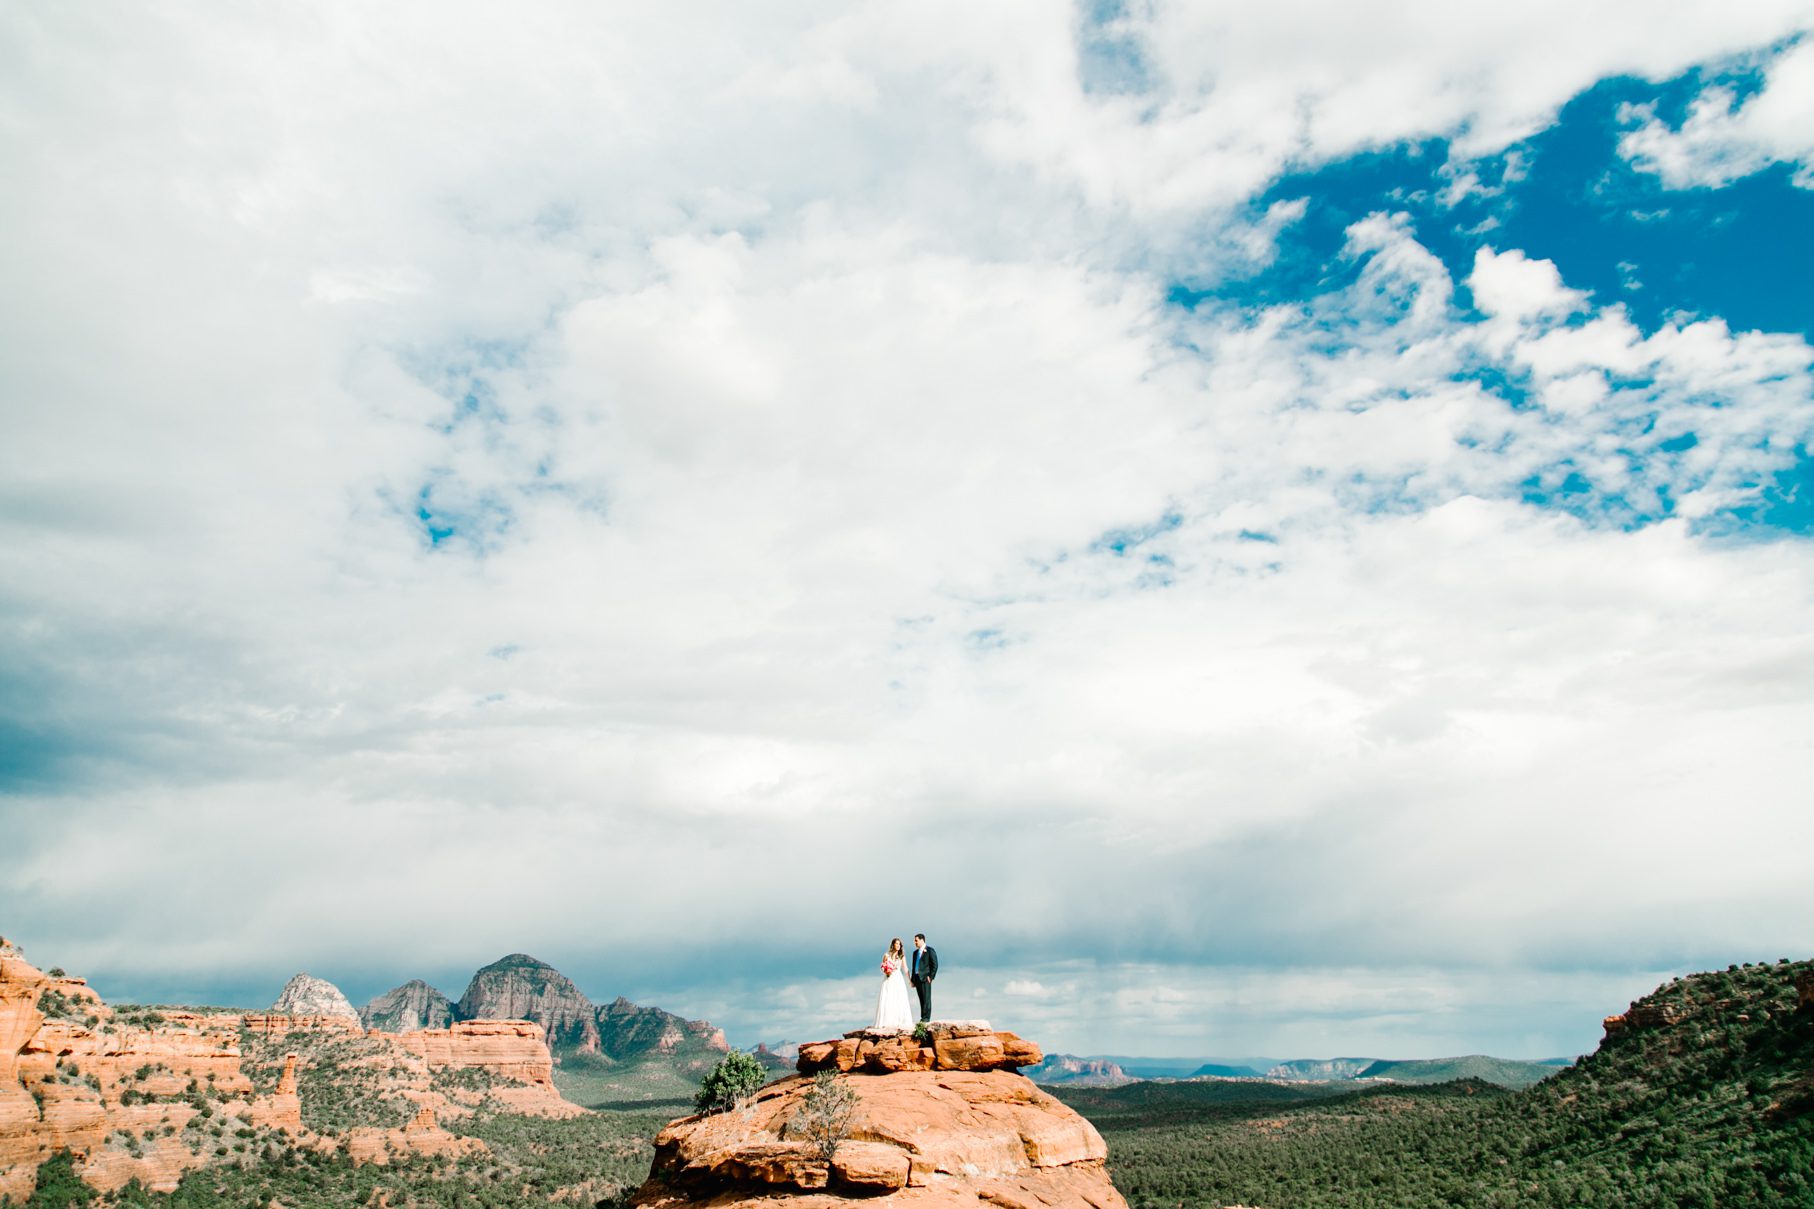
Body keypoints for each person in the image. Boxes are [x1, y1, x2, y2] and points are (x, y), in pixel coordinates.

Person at [871, 937, 915, 1031]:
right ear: (893, 945)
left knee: (898, 998)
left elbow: (905, 968)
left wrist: (910, 980)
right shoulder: (887, 955)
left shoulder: (901, 956)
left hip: (898, 978)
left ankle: (899, 1021)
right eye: (896, 944)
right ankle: (886, 1021)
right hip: (889, 978)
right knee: (888, 998)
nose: (898, 945)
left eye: (899, 944)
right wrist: (886, 971)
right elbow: (882, 966)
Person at [909, 933, 938, 1024]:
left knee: (926, 998)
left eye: (916, 940)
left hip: (925, 978)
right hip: (917, 978)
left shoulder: (929, 950)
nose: (915, 942)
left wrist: (931, 977)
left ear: (922, 940)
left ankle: (926, 1018)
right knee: (921, 998)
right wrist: (913, 980)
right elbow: (914, 967)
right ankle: (923, 1017)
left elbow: (935, 964)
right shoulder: (915, 953)